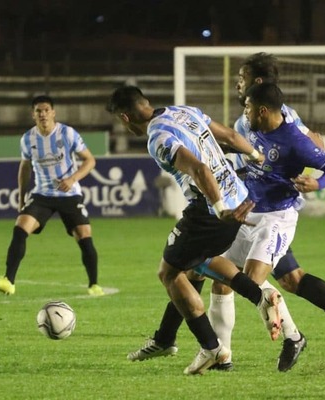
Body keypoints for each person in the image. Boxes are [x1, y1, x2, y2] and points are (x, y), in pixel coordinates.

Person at [127, 53, 325, 372]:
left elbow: (314, 149)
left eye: (242, 77)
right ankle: (213, 352)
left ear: (257, 86)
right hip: (249, 208)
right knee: (238, 275)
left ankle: (286, 338)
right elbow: (243, 152)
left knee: (239, 279)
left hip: (275, 214)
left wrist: (313, 177)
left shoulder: (282, 118)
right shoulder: (247, 120)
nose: (237, 82)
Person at [105, 85, 284, 375]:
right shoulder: (183, 111)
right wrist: (254, 154)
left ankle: (212, 349)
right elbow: (228, 136)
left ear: (125, 118)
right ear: (146, 102)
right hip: (239, 197)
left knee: (169, 272)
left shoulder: (158, 138)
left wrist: (218, 207)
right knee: (197, 263)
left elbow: (199, 169)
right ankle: (259, 297)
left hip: (213, 212)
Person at [0, 95, 104, 297]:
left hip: (69, 194)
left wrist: (72, 179)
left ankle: (94, 285)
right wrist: (22, 198)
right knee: (20, 228)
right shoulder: (28, 139)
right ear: (33, 115)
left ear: (53, 112)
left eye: (46, 110)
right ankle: (8, 281)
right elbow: (24, 168)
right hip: (42, 194)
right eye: (38, 111)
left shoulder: (67, 134)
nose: (42, 114)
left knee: (84, 236)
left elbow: (90, 161)